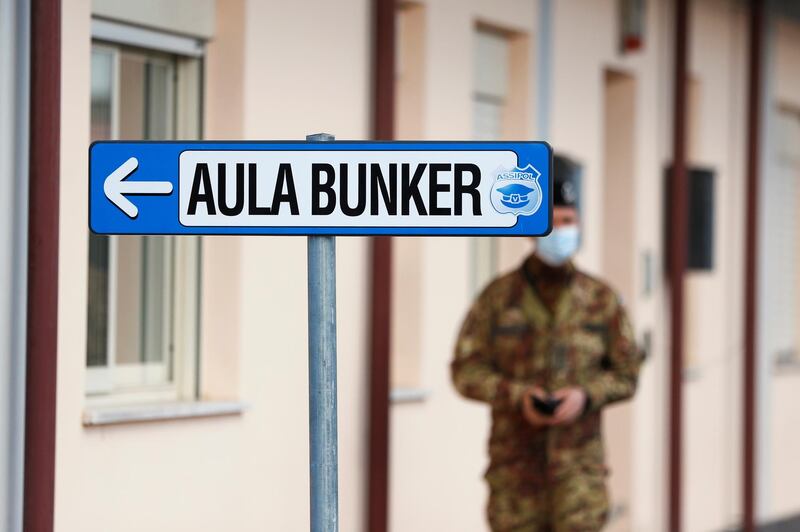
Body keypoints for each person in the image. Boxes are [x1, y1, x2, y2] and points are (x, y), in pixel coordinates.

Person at [451, 154, 642, 531]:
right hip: (516, 476)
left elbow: (627, 373)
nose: (560, 231)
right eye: (550, 223)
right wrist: (516, 395)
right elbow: (465, 370)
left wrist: (585, 395)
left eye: (568, 222)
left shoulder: (601, 299)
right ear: (530, 229)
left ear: (580, 225)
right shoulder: (498, 298)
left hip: (579, 478)